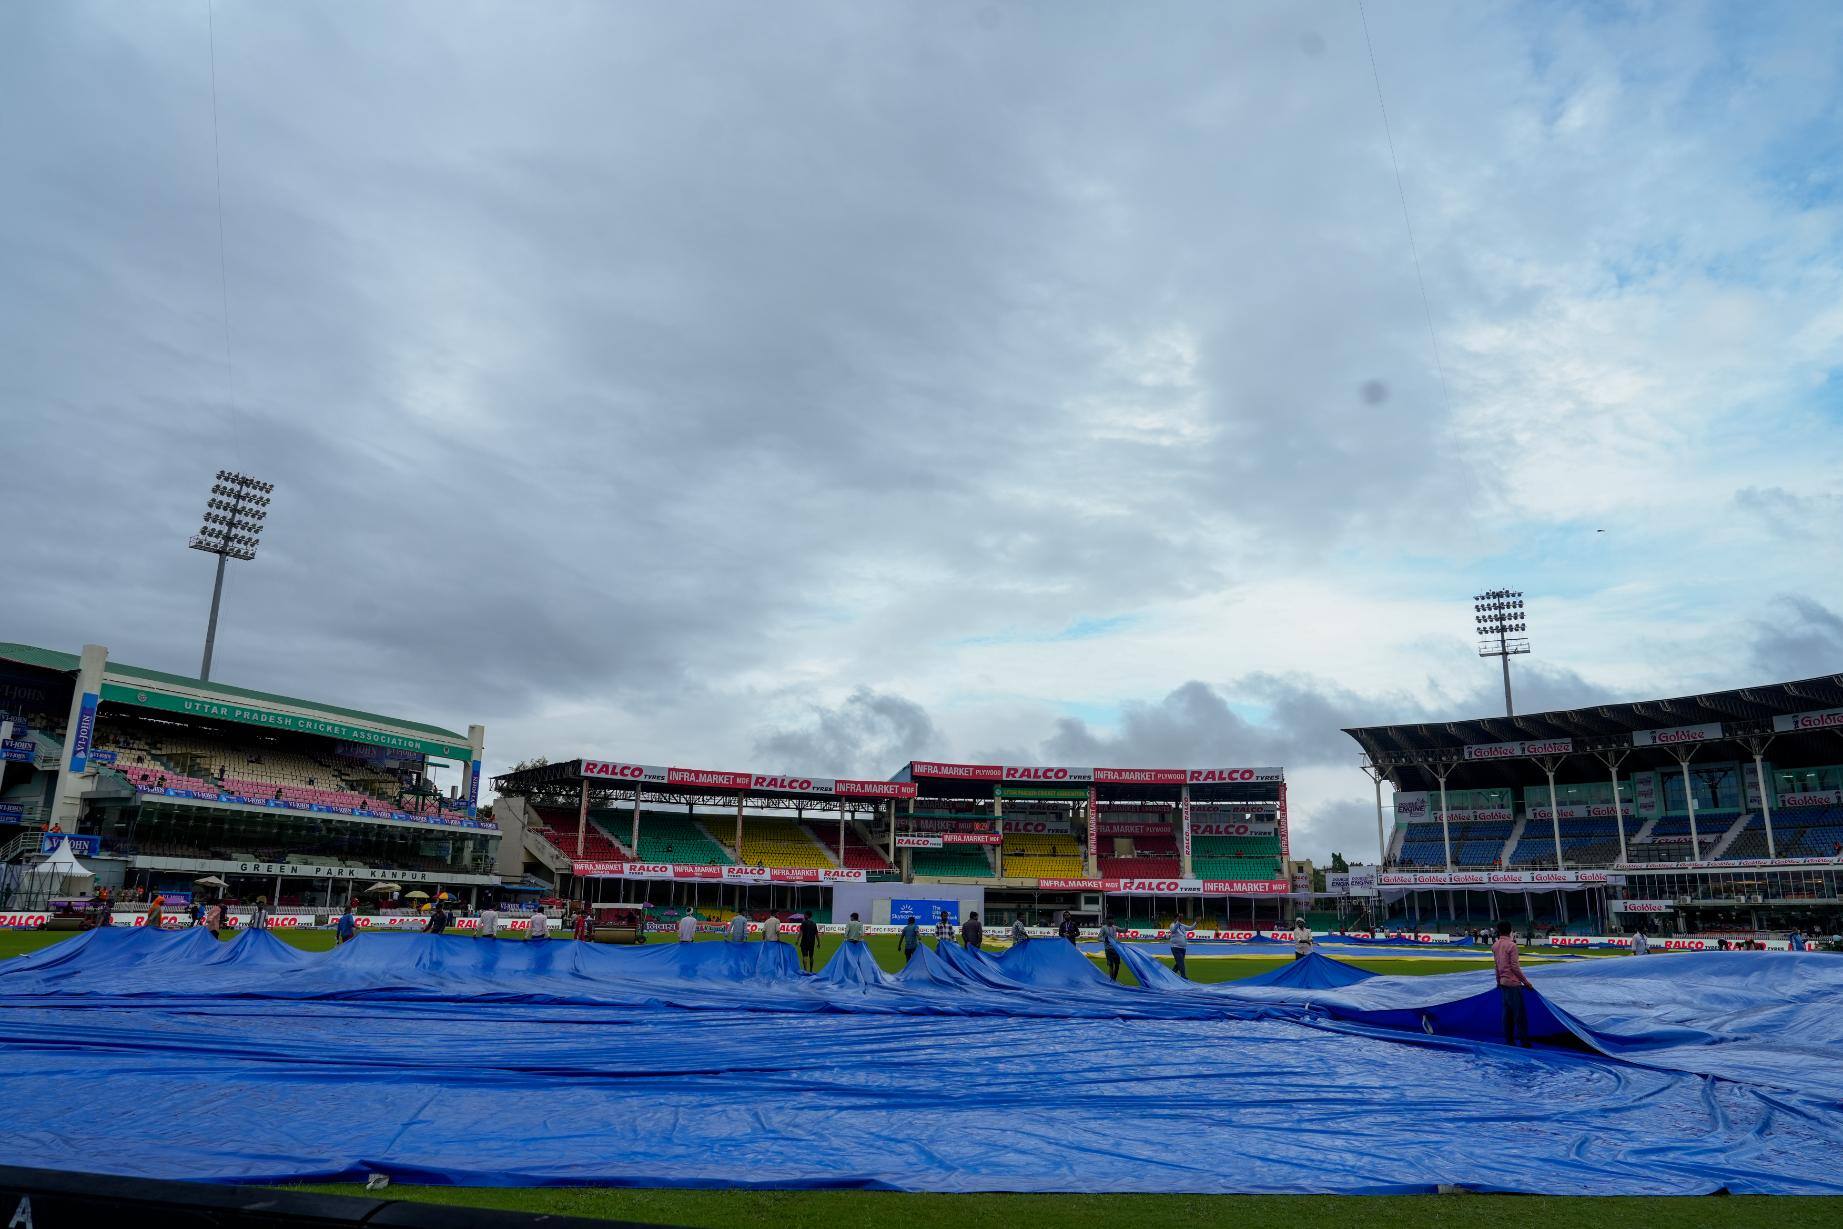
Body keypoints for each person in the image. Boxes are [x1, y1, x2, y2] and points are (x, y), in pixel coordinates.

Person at [1493, 919, 1535, 1047]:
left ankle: (1509, 1040)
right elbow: (1515, 967)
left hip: (1503, 982)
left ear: (1498, 931)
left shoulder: (1495, 945)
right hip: (1513, 983)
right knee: (1519, 1014)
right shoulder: (1512, 945)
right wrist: (1526, 982)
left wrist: (1498, 981)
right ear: (1510, 930)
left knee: (1507, 1014)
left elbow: (1497, 965)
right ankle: (1524, 1041)